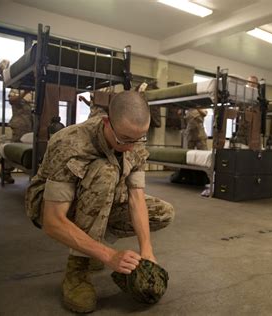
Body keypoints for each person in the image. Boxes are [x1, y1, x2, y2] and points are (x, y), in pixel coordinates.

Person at [25, 91, 174, 313]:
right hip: (50, 206)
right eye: (124, 139)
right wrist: (109, 256)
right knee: (106, 172)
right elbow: (52, 221)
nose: (131, 147)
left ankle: (89, 245)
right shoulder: (70, 143)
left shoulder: (133, 140)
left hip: (101, 196)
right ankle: (77, 271)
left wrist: (147, 251)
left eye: (139, 139)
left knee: (162, 212)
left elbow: (136, 197)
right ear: (107, 122)